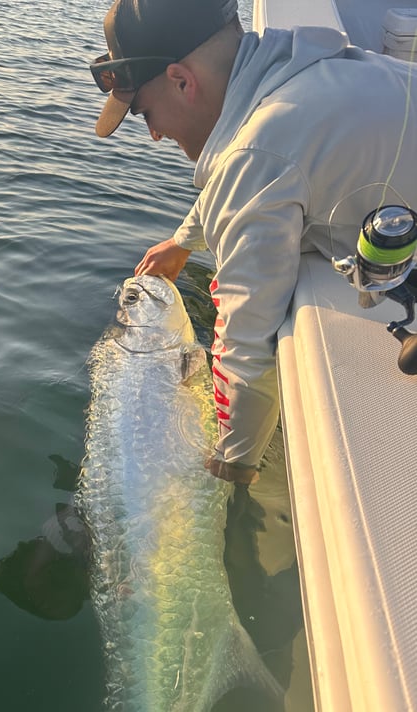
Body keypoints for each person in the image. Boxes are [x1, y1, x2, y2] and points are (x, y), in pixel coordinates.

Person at [90, 0, 417, 482]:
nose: (155, 134)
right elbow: (262, 165)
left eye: (143, 112)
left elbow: (246, 345)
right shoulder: (303, 68)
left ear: (182, 81)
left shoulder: (257, 155)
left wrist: (233, 466)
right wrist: (184, 241)